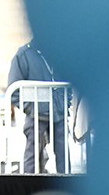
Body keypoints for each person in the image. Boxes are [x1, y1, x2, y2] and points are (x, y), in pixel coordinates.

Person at [7, 40, 68, 173]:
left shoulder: (61, 52)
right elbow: (13, 91)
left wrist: (65, 104)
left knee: (64, 155)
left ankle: (66, 187)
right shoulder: (24, 54)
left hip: (59, 113)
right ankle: (30, 187)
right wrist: (32, 109)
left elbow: (69, 82)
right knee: (32, 154)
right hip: (35, 115)